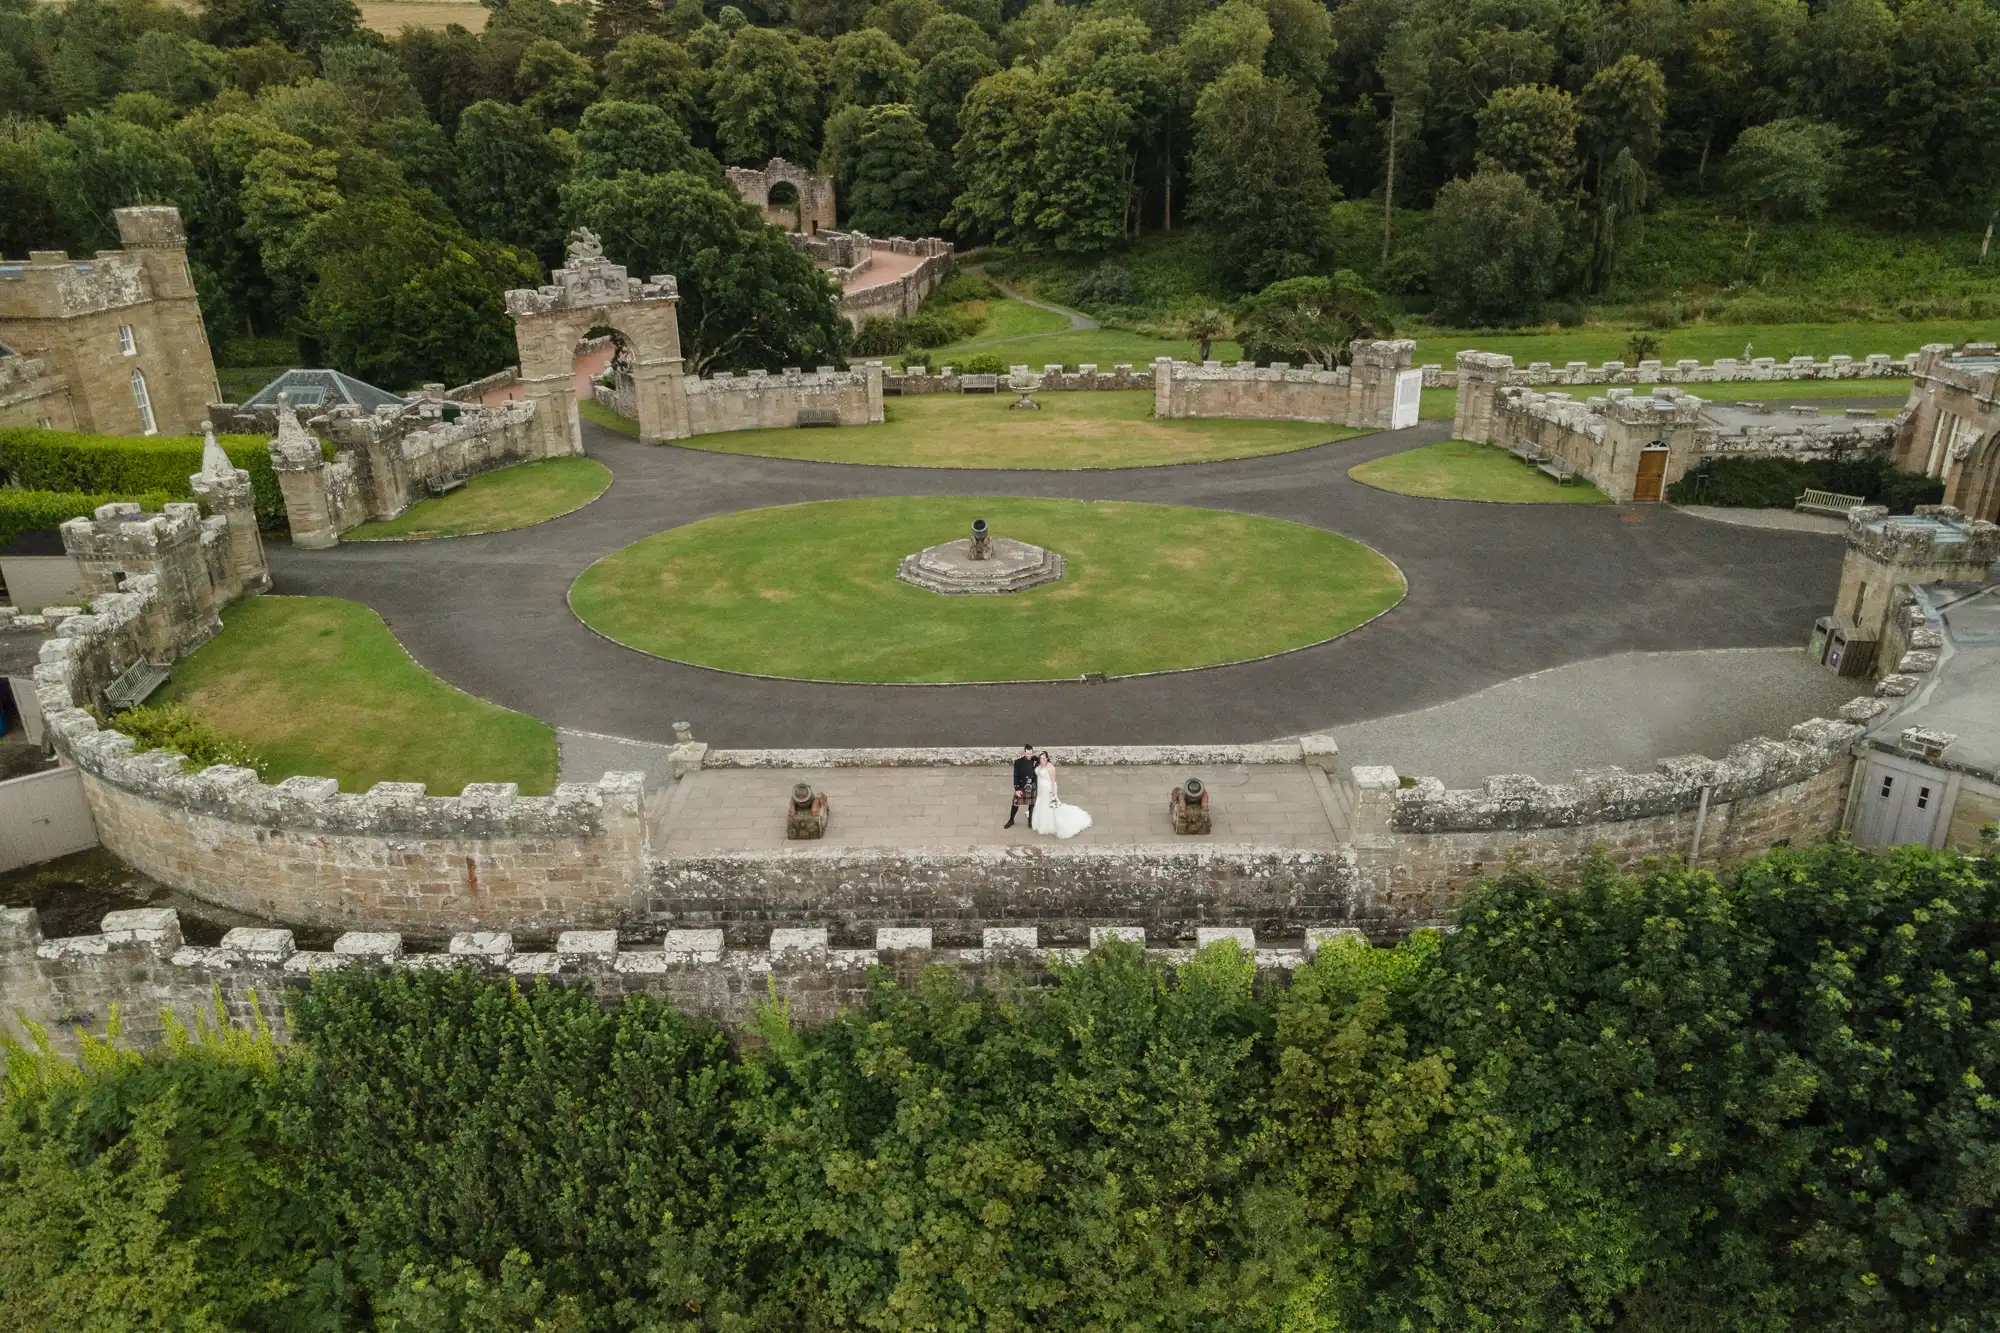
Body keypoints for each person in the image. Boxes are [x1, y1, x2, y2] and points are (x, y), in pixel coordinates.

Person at [1030, 750, 1093, 839]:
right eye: (1041, 758)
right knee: (1040, 803)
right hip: (1041, 789)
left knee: (1048, 805)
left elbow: (1052, 781)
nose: (1042, 760)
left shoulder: (1051, 768)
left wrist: (1052, 794)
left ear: (1047, 758)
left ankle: (1048, 823)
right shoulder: (1039, 765)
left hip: (1048, 789)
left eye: (1044, 758)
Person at [1005, 743, 1036, 828]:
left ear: (1032, 752)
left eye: (1030, 753)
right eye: (1027, 754)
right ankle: (1011, 820)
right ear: (1024, 752)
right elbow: (1016, 776)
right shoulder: (1018, 762)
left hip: (1032, 786)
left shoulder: (1035, 760)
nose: (1029, 755)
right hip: (1022, 786)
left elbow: (1045, 761)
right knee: (1015, 803)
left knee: (1032, 804)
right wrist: (1017, 789)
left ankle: (1030, 822)